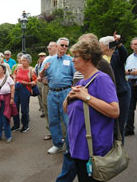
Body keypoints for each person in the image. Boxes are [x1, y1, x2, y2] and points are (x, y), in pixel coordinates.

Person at [56, 39, 119, 182]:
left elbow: (115, 111)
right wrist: (69, 97)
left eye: (76, 56)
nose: (72, 60)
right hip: (78, 147)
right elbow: (67, 110)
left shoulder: (102, 79)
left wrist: (87, 97)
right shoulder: (81, 82)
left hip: (93, 150)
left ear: (88, 58)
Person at [40, 38, 75, 154]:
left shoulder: (71, 61)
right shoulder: (48, 60)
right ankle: (57, 144)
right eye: (62, 45)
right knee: (53, 119)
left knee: (67, 120)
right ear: (57, 46)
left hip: (66, 92)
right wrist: (43, 72)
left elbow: (75, 78)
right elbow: (40, 76)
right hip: (52, 92)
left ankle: (70, 147)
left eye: (66, 46)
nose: (64, 47)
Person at [99, 32, 131, 142]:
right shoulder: (98, 59)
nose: (98, 47)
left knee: (119, 126)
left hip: (121, 93)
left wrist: (119, 43)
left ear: (107, 45)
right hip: (106, 95)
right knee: (108, 125)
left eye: (100, 45)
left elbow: (124, 54)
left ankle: (118, 152)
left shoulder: (117, 55)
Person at [12, 54, 37, 133]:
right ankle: (16, 125)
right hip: (16, 89)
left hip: (25, 90)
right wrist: (14, 81)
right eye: (22, 60)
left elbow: (35, 81)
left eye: (24, 60)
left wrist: (27, 83)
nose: (22, 62)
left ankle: (25, 125)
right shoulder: (18, 67)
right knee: (15, 108)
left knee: (24, 109)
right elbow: (14, 75)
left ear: (29, 61)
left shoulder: (31, 70)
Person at [41, 42, 58, 141]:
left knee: (59, 110)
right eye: (48, 47)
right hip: (45, 87)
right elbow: (41, 74)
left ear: (56, 47)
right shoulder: (46, 59)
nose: (48, 48)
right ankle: (50, 132)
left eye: (50, 47)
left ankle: (62, 134)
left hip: (56, 88)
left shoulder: (60, 58)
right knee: (47, 109)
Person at [35, 52, 47, 117]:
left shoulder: (47, 64)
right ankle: (43, 110)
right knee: (39, 96)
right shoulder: (37, 65)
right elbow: (36, 73)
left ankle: (46, 110)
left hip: (45, 82)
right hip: (39, 82)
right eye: (40, 56)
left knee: (45, 96)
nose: (41, 57)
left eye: (42, 56)